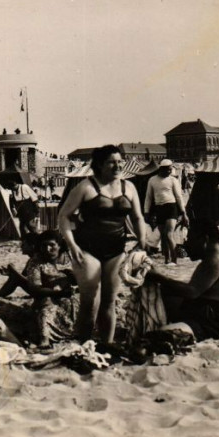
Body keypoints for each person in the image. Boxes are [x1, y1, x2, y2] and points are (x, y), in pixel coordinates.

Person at [57, 144, 147, 345]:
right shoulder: (86, 187)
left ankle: (106, 345)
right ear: (100, 165)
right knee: (90, 302)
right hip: (86, 250)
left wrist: (142, 241)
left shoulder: (128, 187)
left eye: (119, 161)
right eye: (111, 162)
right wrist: (72, 245)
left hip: (116, 250)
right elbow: (63, 216)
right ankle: (84, 345)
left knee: (109, 301)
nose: (118, 166)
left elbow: (138, 217)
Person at [145, 220, 219, 342]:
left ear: (205, 239)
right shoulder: (216, 257)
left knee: (163, 335)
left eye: (190, 239)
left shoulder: (216, 259)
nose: (187, 243)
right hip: (218, 311)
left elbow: (192, 291)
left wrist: (158, 277)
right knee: (166, 294)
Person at [23, 230, 80, 348]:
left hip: (73, 302)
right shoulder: (36, 262)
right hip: (50, 301)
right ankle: (45, 340)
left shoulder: (70, 258)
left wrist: (74, 278)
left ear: (59, 245)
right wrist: (59, 293)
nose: (48, 249)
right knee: (46, 307)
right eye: (44, 245)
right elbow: (34, 289)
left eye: (52, 245)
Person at [144, 159, 187, 265]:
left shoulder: (173, 180)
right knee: (163, 236)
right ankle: (167, 260)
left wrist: (183, 212)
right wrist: (146, 212)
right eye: (167, 169)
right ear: (161, 169)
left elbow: (179, 197)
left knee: (168, 234)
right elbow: (148, 197)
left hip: (171, 207)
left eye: (170, 169)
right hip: (159, 208)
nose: (169, 171)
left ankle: (174, 259)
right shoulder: (152, 180)